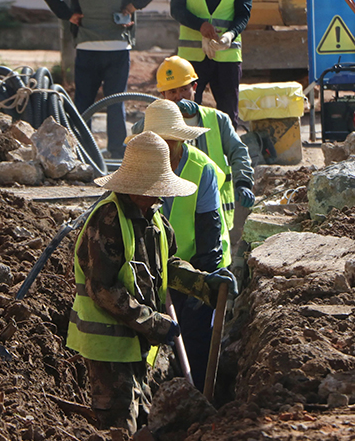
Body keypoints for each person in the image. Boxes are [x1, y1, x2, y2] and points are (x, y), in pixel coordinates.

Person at [66, 131, 237, 434]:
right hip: (108, 350)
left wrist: (206, 283)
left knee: (143, 418)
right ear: (135, 185)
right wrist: (153, 323)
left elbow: (168, 266)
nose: (161, 195)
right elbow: (103, 290)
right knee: (121, 425)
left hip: (136, 347)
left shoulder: (154, 218)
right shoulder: (107, 221)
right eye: (155, 187)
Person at [133, 100, 232, 391]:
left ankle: (198, 395)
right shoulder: (141, 167)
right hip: (151, 268)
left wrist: (204, 287)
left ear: (178, 141)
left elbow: (208, 233)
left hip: (194, 266)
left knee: (195, 338)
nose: (161, 149)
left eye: (167, 142)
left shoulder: (202, 170)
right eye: (155, 142)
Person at [41, 0, 157, 158]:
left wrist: (68, 15)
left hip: (86, 44)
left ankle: (83, 151)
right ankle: (116, 150)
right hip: (117, 45)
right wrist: (131, 7)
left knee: (84, 101)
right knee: (116, 102)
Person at [132, 56, 255, 229]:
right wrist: (163, 113)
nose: (178, 96)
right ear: (163, 95)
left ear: (194, 87)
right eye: (172, 92)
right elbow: (136, 133)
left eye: (183, 89)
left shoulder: (217, 120)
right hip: (173, 209)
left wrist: (243, 182)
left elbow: (238, 151)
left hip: (212, 208)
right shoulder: (158, 122)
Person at [170, 0, 252, 129]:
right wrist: (200, 25)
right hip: (191, 58)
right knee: (185, 116)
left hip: (227, 56)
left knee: (228, 117)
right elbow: (176, 8)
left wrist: (229, 35)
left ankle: (226, 161)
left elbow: (243, 15)